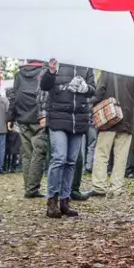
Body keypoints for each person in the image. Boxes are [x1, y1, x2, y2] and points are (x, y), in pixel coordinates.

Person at [41, 59, 95, 217]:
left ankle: (65, 200)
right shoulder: (55, 60)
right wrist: (51, 72)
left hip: (78, 117)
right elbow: (44, 86)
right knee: (59, 157)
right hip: (58, 116)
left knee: (71, 160)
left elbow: (93, 89)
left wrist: (86, 88)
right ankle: (52, 199)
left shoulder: (86, 64)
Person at [90, 71, 134, 197]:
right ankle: (116, 187)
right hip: (127, 119)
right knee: (121, 156)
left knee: (102, 153)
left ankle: (99, 185)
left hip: (109, 118)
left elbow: (99, 93)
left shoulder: (107, 72)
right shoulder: (133, 74)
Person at [9, 60, 48, 198]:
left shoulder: (19, 73)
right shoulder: (45, 71)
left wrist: (10, 117)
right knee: (39, 153)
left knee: (27, 154)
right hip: (40, 118)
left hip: (22, 117)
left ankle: (28, 187)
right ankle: (32, 189)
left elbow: (13, 96)